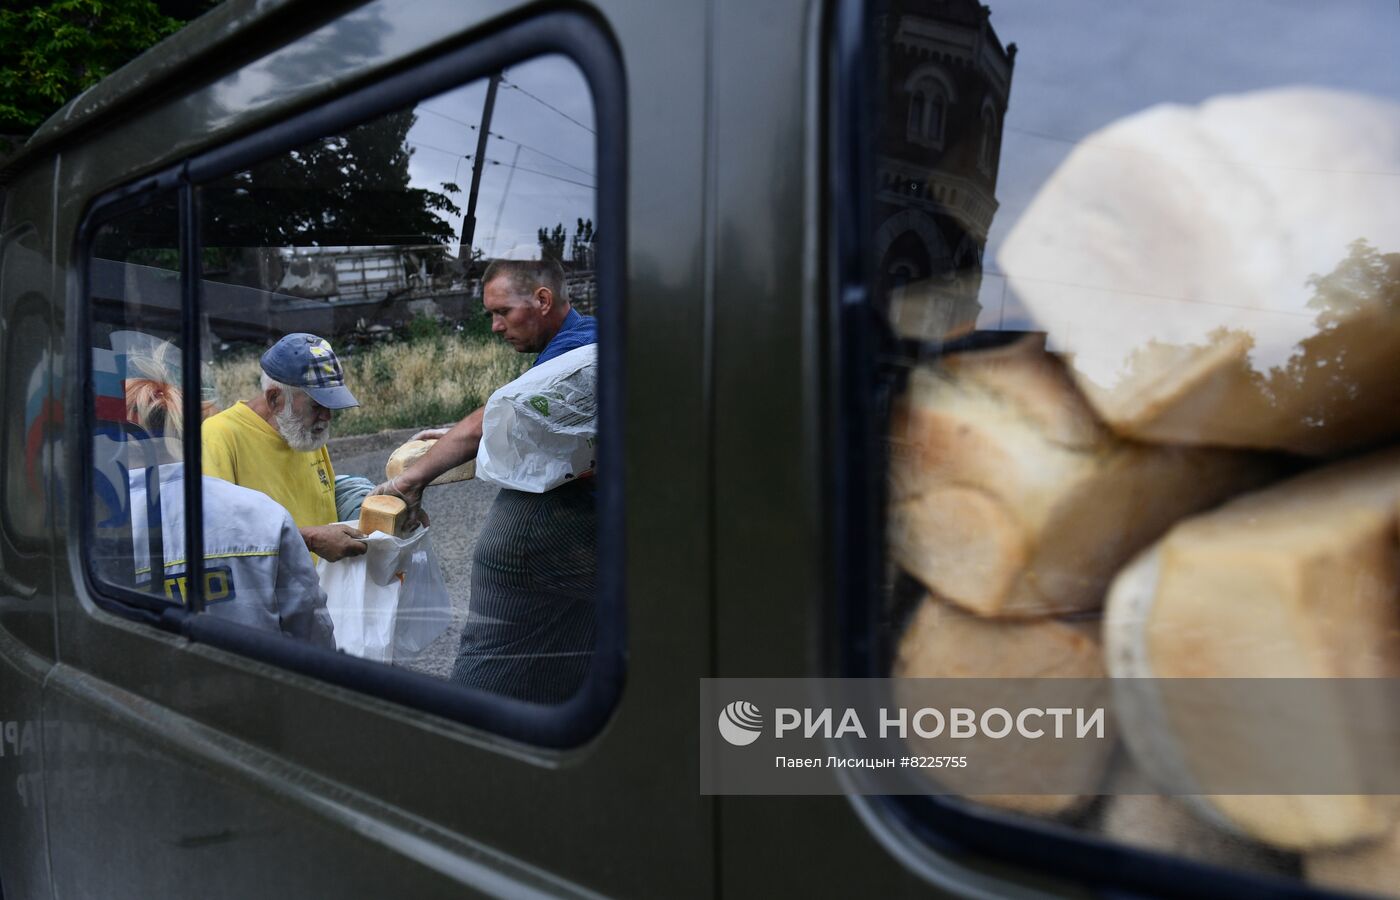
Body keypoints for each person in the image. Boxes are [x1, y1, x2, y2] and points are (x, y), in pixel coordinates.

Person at [373, 258, 598, 703]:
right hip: (585, 528)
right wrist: (459, 436)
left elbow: (487, 420)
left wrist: (411, 481)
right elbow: (516, 418)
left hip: (540, 532)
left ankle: (466, 738)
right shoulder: (586, 340)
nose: (495, 326)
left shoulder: (580, 352)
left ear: (542, 299)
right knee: (574, 644)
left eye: (502, 312)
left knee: (494, 660)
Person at [125, 341, 336, 648]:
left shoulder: (99, 528)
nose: (326, 417)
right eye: (317, 405)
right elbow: (313, 630)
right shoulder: (264, 515)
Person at [202, 332, 368, 562]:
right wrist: (310, 540)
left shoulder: (304, 434)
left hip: (320, 592)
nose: (327, 416)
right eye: (316, 405)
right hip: (268, 595)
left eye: (330, 405)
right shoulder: (219, 436)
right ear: (274, 399)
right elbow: (217, 535)